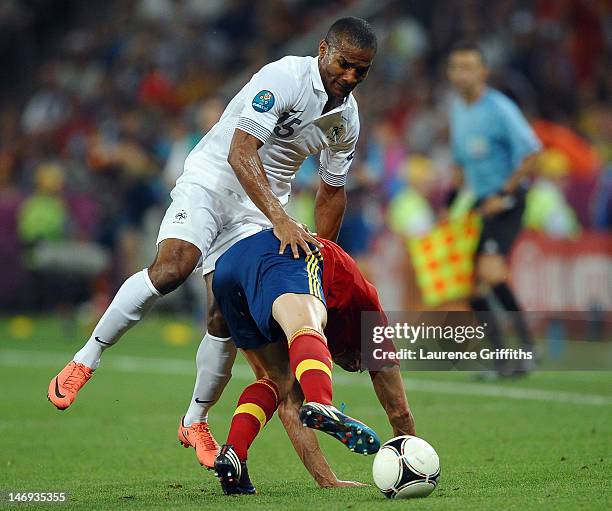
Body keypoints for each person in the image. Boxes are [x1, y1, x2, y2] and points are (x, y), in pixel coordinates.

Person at [47, 17, 378, 468]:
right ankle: (87, 358)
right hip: (213, 182)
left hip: (258, 212)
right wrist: (281, 218)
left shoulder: (347, 118)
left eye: (362, 70)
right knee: (172, 268)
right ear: (323, 49)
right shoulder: (284, 77)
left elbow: (332, 190)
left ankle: (195, 420)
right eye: (344, 64)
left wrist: (320, 256)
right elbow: (240, 152)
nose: (350, 77)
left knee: (224, 315)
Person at [210, 229, 415, 494]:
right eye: (360, 363)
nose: (356, 367)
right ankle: (321, 401)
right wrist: (411, 454)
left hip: (227, 269)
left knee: (277, 380)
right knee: (305, 325)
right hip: (289, 250)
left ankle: (233, 453)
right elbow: (400, 411)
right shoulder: (370, 317)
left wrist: (327, 480)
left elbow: (290, 407)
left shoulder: (324, 335)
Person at [447, 41, 541, 377]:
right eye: (457, 67)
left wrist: (504, 192)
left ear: (484, 72)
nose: (463, 74)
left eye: (470, 67)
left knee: (490, 272)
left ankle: (529, 348)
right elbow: (460, 162)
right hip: (480, 204)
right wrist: (455, 199)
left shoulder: (499, 108)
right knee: (471, 285)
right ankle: (502, 357)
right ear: (450, 73)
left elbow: (531, 152)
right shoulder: (457, 110)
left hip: (507, 201)